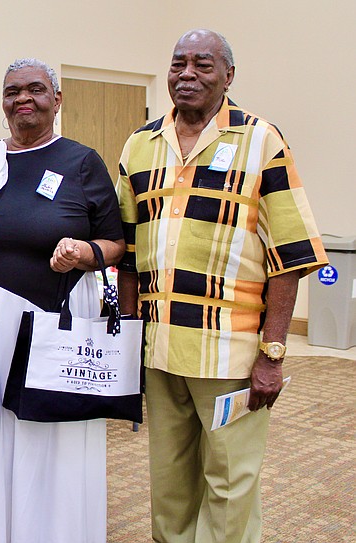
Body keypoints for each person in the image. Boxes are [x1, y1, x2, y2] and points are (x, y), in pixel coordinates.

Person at [116, 29, 328, 543]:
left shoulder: (262, 141)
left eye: (202, 64)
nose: (187, 74)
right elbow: (126, 255)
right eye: (178, 63)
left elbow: (289, 257)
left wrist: (272, 353)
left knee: (230, 485)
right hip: (161, 349)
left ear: (228, 76)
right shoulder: (140, 144)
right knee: (168, 486)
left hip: (230, 355)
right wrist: (126, 340)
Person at [0, 58, 125, 543]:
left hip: (55, 320)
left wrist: (85, 251)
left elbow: (115, 241)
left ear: (57, 99)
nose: (22, 99)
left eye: (35, 89)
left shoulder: (81, 161)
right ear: (2, 103)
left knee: (52, 432)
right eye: (12, 91)